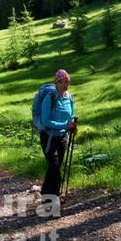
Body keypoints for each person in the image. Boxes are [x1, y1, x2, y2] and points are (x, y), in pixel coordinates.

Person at [40, 69, 77, 202]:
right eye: (63, 82)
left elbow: (71, 115)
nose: (66, 85)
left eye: (68, 81)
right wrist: (65, 126)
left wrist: (72, 125)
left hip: (62, 137)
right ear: (56, 82)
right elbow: (45, 121)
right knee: (54, 165)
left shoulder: (69, 98)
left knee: (55, 166)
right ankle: (55, 195)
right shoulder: (50, 97)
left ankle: (46, 195)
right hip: (48, 137)